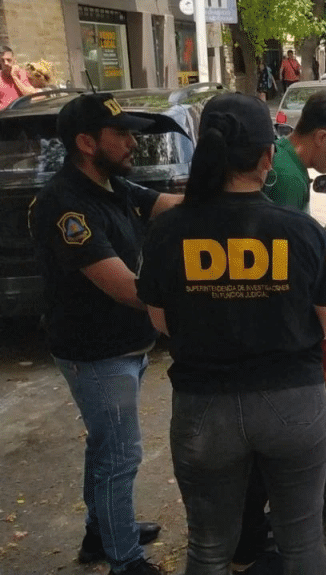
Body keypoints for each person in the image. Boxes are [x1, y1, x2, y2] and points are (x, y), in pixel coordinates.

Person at [136, 93, 326, 574]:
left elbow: (159, 319)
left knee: (209, 549)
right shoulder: (303, 231)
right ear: (267, 156)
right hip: (294, 404)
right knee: (301, 542)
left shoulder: (169, 230)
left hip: (203, 410)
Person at [28, 92, 189, 575]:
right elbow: (124, 287)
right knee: (121, 454)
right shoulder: (67, 207)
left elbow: (165, 204)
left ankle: (101, 533)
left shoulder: (109, 185)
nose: (132, 143)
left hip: (122, 346)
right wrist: (193, 301)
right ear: (86, 142)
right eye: (121, 135)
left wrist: (222, 196)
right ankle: (126, 559)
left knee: (105, 446)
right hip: (96, 352)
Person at [229, 88, 326, 572]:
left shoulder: (283, 166)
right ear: (323, 136)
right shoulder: (287, 181)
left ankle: (245, 536)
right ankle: (254, 541)